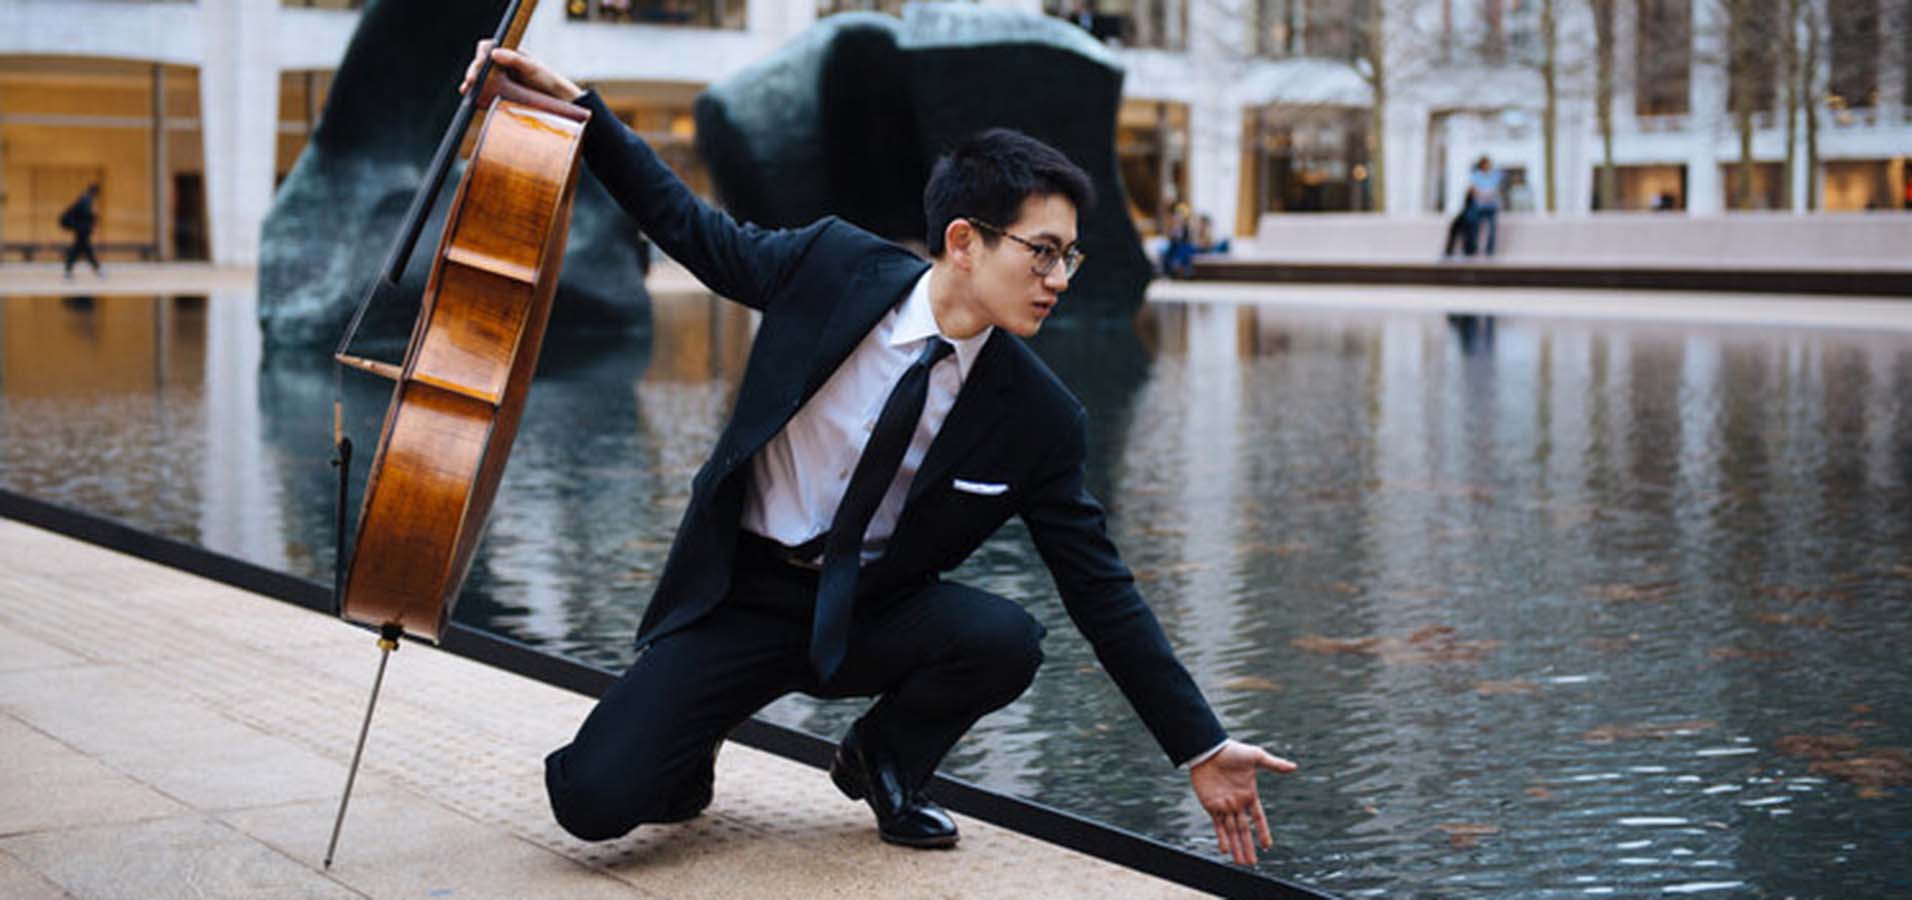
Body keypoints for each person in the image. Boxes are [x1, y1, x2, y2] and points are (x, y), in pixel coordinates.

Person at [462, 42, 1297, 865]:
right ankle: (690, 743)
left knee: (1006, 638)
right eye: (1042, 251)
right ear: (965, 241)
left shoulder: (1041, 416)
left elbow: (1103, 591)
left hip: (866, 613)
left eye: (1070, 255)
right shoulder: (831, 267)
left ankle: (885, 759)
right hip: (739, 596)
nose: (1060, 277)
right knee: (591, 803)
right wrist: (583, 113)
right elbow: (691, 230)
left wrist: (1199, 745)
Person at [59, 184, 103, 279]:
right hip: (82, 229)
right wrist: (93, 218)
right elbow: (84, 215)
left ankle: (69, 270)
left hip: (80, 229)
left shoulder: (84, 198)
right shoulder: (86, 200)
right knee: (84, 249)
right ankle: (97, 269)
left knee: (80, 250)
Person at [1463, 156, 1501, 257]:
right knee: (1475, 228)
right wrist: (1484, 194)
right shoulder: (1476, 176)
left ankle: (1490, 251)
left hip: (1491, 206)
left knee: (1492, 230)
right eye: (1486, 164)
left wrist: (1487, 193)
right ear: (1482, 165)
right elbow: (1474, 190)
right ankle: (1474, 249)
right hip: (1479, 206)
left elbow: (1496, 189)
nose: (1488, 166)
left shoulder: (1494, 175)